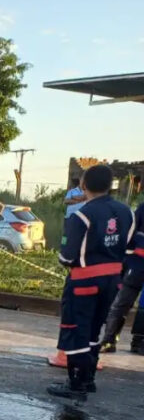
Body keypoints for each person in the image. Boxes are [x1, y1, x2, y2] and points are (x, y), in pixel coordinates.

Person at [50, 164, 133, 400]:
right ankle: (89, 380)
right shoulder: (126, 212)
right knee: (95, 329)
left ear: (84, 185)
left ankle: (75, 382)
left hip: (84, 280)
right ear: (110, 186)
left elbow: (67, 257)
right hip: (112, 281)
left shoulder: (82, 215)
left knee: (76, 328)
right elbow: (128, 247)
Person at [99, 197, 144, 353]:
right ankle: (109, 340)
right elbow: (130, 236)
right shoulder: (142, 209)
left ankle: (138, 342)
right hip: (137, 264)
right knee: (121, 303)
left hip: (136, 262)